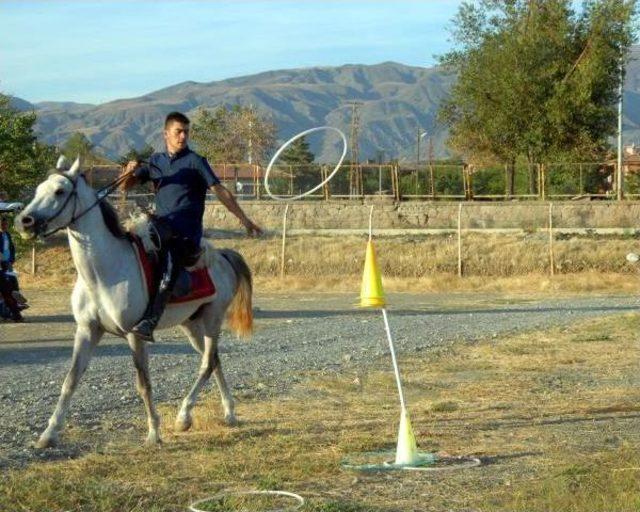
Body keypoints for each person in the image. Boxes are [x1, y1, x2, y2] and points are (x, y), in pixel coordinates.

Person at [122, 111, 262, 341]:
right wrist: (129, 170)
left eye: (186, 131)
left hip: (185, 234)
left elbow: (220, 191)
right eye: (178, 131)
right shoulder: (155, 161)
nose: (183, 136)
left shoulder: (196, 161)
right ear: (166, 133)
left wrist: (244, 220)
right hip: (158, 228)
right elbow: (126, 187)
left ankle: (150, 319)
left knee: (170, 259)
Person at [0, 216, 27, 307]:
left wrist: (11, 260)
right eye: (2, 224)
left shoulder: (7, 234)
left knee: (13, 280)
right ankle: (14, 304)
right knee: (7, 283)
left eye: (5, 224)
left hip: (8, 262)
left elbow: (11, 248)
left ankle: (17, 301)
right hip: (2, 263)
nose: (3, 226)